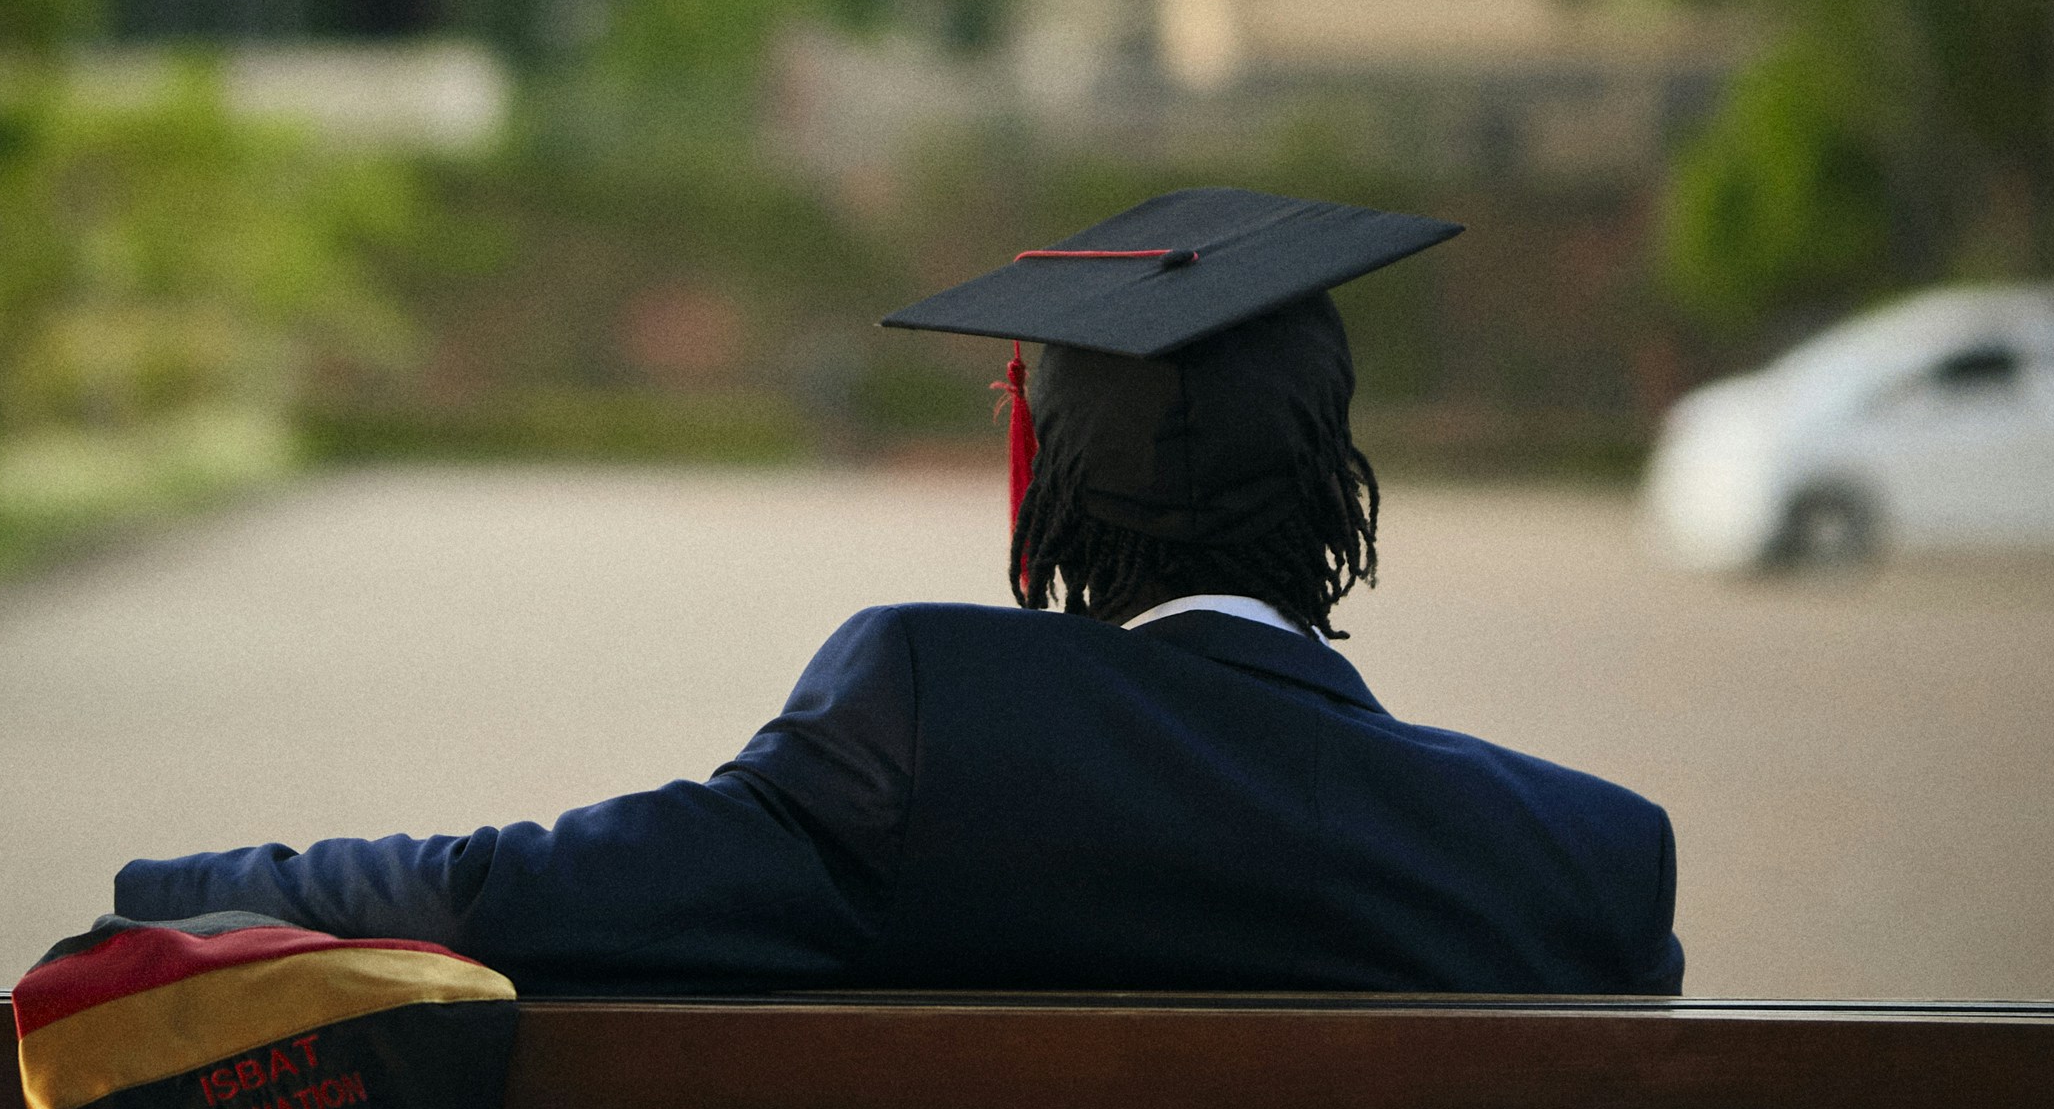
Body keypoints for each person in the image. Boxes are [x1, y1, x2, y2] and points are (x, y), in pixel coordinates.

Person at [115, 186, 1681, 996]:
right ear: (1338, 486)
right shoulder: (1590, 865)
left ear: (1047, 483)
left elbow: (496, 902)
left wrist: (171, 895)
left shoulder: (929, 731)